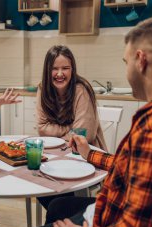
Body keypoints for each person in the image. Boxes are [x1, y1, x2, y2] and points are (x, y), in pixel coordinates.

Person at [0, 17, 152, 227]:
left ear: (141, 60)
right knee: (59, 206)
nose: (126, 70)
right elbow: (133, 168)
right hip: (113, 215)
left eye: (126, 62)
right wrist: (90, 154)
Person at [36, 45, 107, 210]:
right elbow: (42, 128)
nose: (60, 74)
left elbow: (84, 136)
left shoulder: (81, 89)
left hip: (83, 156)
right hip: (55, 156)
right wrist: (70, 128)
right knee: (41, 184)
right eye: (54, 69)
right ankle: (61, 217)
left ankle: (64, 216)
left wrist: (59, 130)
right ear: (48, 70)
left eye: (65, 68)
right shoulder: (42, 88)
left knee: (57, 196)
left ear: (72, 69)